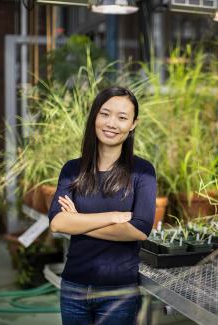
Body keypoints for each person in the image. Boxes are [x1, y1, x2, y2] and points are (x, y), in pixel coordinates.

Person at [48, 86, 157, 325]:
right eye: (105, 114)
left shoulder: (142, 172)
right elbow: (57, 223)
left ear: (133, 124)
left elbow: (139, 229)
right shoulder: (72, 170)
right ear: (95, 116)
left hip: (118, 292)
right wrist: (114, 216)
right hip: (74, 287)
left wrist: (77, 221)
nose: (111, 123)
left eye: (122, 117)